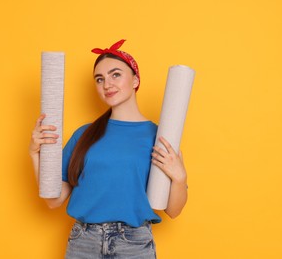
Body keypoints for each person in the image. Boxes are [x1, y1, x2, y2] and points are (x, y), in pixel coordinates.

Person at [29, 39, 188, 258]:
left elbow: (173, 210)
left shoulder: (159, 136)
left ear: (135, 80)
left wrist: (180, 178)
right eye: (99, 79)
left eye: (116, 75)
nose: (107, 84)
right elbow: (53, 200)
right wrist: (35, 154)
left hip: (133, 244)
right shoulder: (84, 134)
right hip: (83, 242)